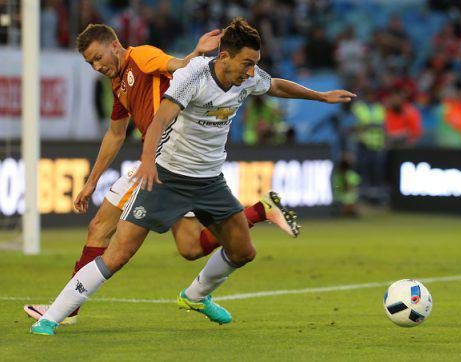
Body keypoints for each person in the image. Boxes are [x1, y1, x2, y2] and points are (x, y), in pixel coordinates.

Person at [31, 18, 355, 335]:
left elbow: (276, 85)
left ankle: (196, 296)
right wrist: (147, 162)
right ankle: (52, 317)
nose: (251, 71)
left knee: (242, 251)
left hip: (210, 180)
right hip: (166, 175)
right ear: (224, 57)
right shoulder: (194, 75)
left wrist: (322, 96)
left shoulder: (248, 78)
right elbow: (159, 119)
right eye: (247, 63)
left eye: (255, 63)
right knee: (117, 253)